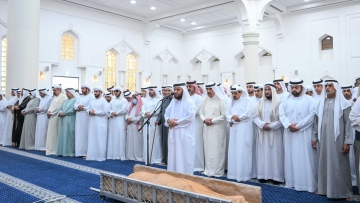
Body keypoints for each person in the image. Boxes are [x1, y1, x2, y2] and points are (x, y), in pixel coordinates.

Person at [313, 80, 353, 199]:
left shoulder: (344, 104)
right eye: (326, 86)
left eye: (330, 85)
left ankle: (344, 192)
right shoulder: (321, 103)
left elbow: (348, 124)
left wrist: (347, 141)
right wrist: (314, 137)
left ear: (336, 87)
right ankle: (324, 189)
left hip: (338, 141)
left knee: (339, 166)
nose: (328, 88)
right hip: (323, 140)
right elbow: (316, 123)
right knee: (324, 164)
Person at [279, 78, 317, 192]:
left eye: (296, 87)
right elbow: (281, 114)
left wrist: (299, 126)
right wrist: (289, 125)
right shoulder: (285, 100)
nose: (294, 89)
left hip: (304, 133)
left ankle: (307, 184)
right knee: (290, 157)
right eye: (292, 87)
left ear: (302, 87)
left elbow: (312, 115)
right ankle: (292, 182)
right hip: (289, 133)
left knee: (306, 158)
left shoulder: (310, 100)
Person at [253, 84, 284, 184]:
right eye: (265, 90)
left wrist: (271, 126)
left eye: (269, 90)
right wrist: (262, 124)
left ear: (273, 91)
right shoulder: (260, 103)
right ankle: (263, 175)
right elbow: (254, 116)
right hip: (262, 132)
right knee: (262, 153)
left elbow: (281, 119)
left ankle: (276, 177)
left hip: (275, 132)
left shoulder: (279, 103)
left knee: (275, 154)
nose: (267, 92)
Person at [164, 83, 196, 174]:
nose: (176, 92)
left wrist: (176, 122)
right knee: (173, 156)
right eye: (175, 90)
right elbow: (166, 113)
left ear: (183, 91)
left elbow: (190, 117)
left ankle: (186, 177)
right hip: (174, 133)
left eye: (178, 90)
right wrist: (168, 120)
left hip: (184, 135)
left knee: (184, 157)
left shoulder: (190, 103)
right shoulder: (173, 102)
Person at [226, 85, 253, 182]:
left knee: (242, 150)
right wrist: (231, 118)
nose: (234, 95)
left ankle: (243, 175)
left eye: (236, 93)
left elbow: (248, 114)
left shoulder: (247, 101)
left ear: (241, 92)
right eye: (232, 93)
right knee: (233, 150)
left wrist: (239, 118)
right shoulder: (231, 101)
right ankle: (233, 174)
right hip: (233, 128)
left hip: (243, 128)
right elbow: (227, 113)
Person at [199, 82, 227, 177]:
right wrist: (204, 119)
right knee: (208, 148)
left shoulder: (221, 100)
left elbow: (224, 115)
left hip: (217, 129)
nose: (208, 91)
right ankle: (209, 170)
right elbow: (200, 112)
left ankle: (217, 171)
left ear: (214, 89)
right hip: (207, 128)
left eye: (210, 89)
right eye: (207, 89)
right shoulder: (205, 100)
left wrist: (213, 121)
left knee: (217, 149)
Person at [86, 86, 109, 161]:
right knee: (92, 139)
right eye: (94, 92)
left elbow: (105, 112)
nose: (95, 93)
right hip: (92, 123)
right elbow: (87, 109)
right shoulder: (92, 101)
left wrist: (95, 112)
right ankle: (91, 156)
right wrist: (90, 112)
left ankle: (100, 156)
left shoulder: (103, 101)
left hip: (101, 124)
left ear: (100, 92)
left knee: (100, 139)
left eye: (96, 91)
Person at [186, 80, 204, 171]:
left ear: (194, 87)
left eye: (190, 86)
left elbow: (197, 112)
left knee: (197, 144)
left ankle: (198, 165)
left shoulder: (199, 98)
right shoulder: (186, 98)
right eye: (187, 87)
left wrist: (186, 115)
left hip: (196, 124)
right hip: (186, 124)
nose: (188, 88)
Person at [141, 86, 162, 164]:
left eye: (151, 90)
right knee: (146, 139)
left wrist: (151, 113)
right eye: (149, 90)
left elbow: (159, 110)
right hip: (146, 120)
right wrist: (145, 113)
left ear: (155, 91)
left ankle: (155, 158)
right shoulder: (146, 100)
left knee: (155, 139)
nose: (149, 91)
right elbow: (142, 109)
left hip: (154, 121)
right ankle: (146, 157)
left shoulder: (159, 100)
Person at [46, 84, 67, 155]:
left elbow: (59, 107)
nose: (53, 92)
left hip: (57, 117)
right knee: (51, 133)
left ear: (59, 90)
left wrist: (51, 113)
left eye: (55, 90)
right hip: (52, 116)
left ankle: (56, 149)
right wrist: (48, 111)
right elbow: (51, 106)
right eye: (53, 90)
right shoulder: (55, 97)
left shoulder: (63, 97)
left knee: (56, 132)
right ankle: (50, 149)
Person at [107, 87, 128, 160]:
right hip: (113, 120)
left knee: (120, 136)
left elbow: (124, 109)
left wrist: (116, 113)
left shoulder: (124, 100)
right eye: (115, 91)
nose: (115, 92)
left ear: (120, 92)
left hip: (120, 119)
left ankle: (120, 155)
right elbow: (108, 108)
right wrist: (112, 112)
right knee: (113, 136)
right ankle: (112, 154)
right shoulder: (112, 100)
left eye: (117, 91)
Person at [74, 84, 94, 157]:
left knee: (86, 133)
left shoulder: (91, 97)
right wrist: (78, 107)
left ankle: (86, 152)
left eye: (83, 89)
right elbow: (75, 105)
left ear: (88, 89)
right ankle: (79, 152)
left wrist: (83, 108)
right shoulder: (79, 97)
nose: (82, 90)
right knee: (79, 133)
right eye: (81, 89)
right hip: (79, 117)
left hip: (86, 116)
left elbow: (91, 106)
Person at [56, 88, 77, 157]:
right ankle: (62, 151)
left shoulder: (75, 100)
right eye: (66, 92)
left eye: (68, 92)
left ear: (72, 93)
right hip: (63, 120)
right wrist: (60, 112)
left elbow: (73, 110)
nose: (67, 94)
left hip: (70, 119)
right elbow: (60, 109)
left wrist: (64, 113)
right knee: (63, 135)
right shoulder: (65, 101)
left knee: (69, 135)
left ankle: (69, 152)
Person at [155, 85, 173, 165]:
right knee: (164, 141)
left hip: (172, 125)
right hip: (164, 124)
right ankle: (165, 159)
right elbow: (161, 112)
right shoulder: (164, 100)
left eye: (169, 91)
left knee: (171, 142)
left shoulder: (175, 100)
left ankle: (171, 160)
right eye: (165, 91)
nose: (167, 92)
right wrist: (158, 120)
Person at [126, 92, 144, 161]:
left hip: (136, 125)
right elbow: (126, 114)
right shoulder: (131, 106)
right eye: (133, 98)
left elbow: (141, 116)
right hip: (130, 125)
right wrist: (128, 118)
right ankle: (130, 156)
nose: (134, 99)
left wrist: (132, 120)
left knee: (137, 141)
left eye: (135, 98)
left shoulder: (141, 106)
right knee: (130, 140)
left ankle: (138, 156)